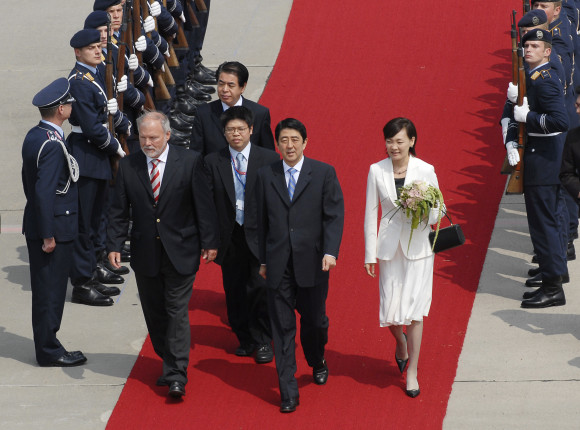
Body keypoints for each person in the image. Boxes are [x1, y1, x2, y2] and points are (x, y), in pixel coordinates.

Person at [107, 111, 219, 399]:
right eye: (143, 138)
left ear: (167, 135)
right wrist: (114, 245)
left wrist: (210, 241)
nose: (148, 143)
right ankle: (168, 358)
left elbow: (203, 205)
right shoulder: (129, 166)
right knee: (155, 312)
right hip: (145, 252)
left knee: (176, 310)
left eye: (154, 137)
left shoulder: (190, 162)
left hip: (182, 249)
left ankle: (176, 373)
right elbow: (119, 211)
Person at [256, 118, 344, 413]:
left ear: (305, 142)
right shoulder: (265, 175)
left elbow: (334, 215)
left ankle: (317, 358)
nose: (289, 145)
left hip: (314, 263)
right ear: (277, 144)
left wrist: (331, 251)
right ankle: (288, 392)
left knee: (315, 323)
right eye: (284, 140)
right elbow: (261, 221)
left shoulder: (322, 173)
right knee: (282, 329)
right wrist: (264, 260)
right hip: (278, 265)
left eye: (295, 139)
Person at [363, 117, 442, 399]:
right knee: (390, 311)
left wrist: (425, 209)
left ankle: (412, 372)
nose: (393, 147)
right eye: (389, 141)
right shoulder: (376, 170)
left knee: (415, 310)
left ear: (412, 141)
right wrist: (369, 254)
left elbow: (439, 211)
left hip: (419, 248)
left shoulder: (425, 170)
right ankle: (401, 344)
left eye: (399, 141)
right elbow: (370, 213)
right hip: (388, 249)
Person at [205, 106, 279, 363]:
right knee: (234, 289)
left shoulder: (269, 159)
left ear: (250, 130)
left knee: (259, 286)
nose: (235, 134)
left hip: (260, 234)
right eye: (230, 130)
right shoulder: (213, 161)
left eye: (240, 129)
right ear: (223, 133)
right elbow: (207, 204)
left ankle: (262, 340)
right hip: (230, 236)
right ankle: (244, 338)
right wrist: (209, 240)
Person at [21, 78, 86, 367]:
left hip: (44, 223)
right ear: (61, 110)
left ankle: (49, 345)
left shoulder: (37, 136)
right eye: (69, 103)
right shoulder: (51, 145)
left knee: (49, 289)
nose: (72, 106)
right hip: (53, 230)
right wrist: (48, 234)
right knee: (51, 291)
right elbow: (43, 192)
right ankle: (49, 350)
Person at [506, 29, 569, 308]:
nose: (528, 49)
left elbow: (560, 121)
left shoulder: (544, 81)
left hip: (543, 162)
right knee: (548, 223)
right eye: (526, 45)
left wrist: (528, 117)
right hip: (544, 160)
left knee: (543, 226)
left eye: (535, 46)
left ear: (547, 51)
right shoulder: (535, 77)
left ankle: (553, 287)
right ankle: (552, 272)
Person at [67, 28, 130, 306]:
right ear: (78, 52)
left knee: (97, 218)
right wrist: (115, 147)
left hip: (97, 154)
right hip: (87, 153)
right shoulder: (79, 80)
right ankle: (82, 281)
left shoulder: (93, 75)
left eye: (98, 46)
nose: (97, 51)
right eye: (91, 48)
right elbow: (92, 127)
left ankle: (93, 267)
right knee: (85, 222)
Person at [190, 61, 275, 155]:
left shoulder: (259, 114)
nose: (225, 90)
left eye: (231, 85)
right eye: (221, 84)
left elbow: (268, 155)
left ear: (243, 87)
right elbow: (195, 155)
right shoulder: (204, 113)